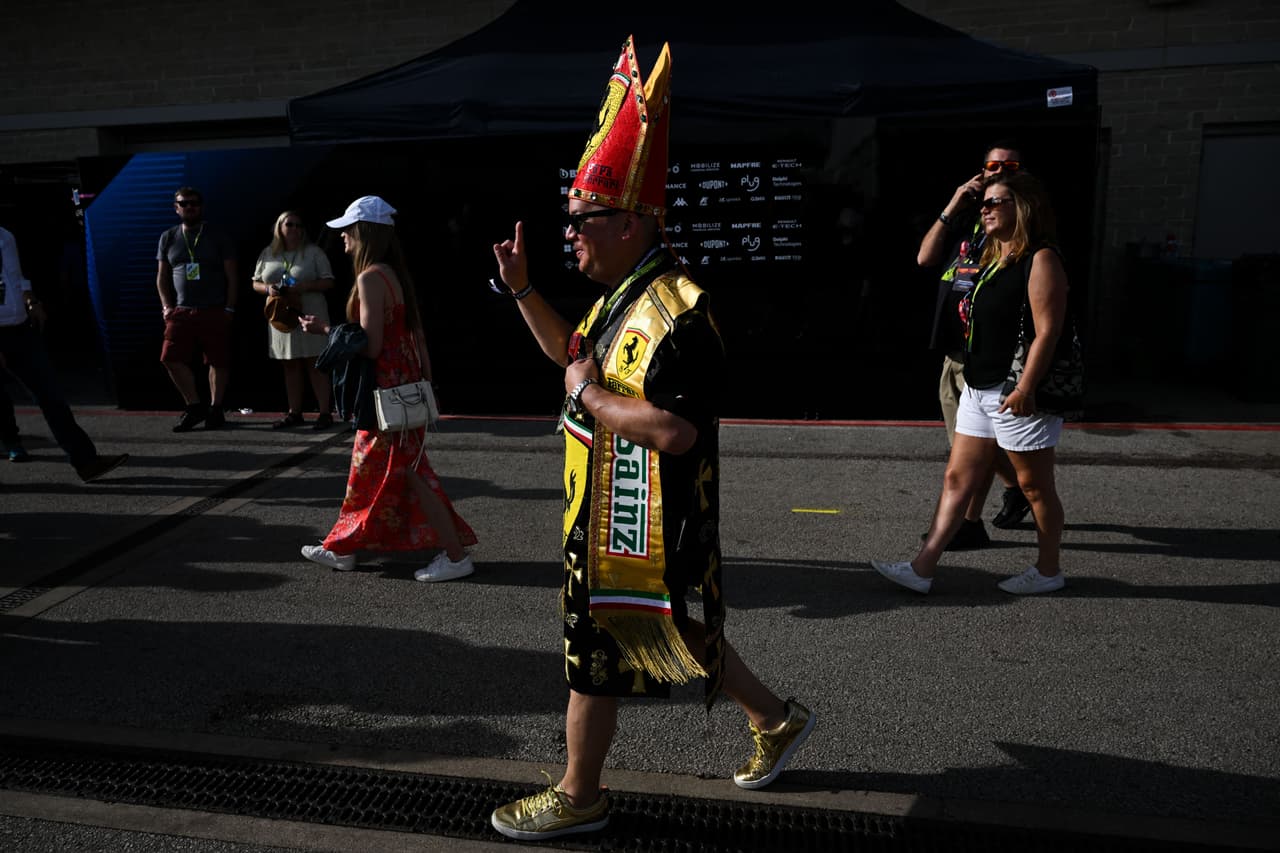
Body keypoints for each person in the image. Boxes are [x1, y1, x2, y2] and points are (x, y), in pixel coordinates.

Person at [488, 36, 814, 842]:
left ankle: (579, 792)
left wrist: (590, 394)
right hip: (610, 507)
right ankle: (774, 719)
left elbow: (672, 428)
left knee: (595, 649)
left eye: (582, 220)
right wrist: (525, 290)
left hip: (641, 520)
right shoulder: (621, 296)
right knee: (681, 632)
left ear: (630, 222)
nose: (573, 233)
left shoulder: (680, 311)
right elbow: (569, 354)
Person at [874, 170, 1070, 596]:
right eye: (985, 203)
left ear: (1023, 208)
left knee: (1035, 487)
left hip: (1013, 391)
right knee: (956, 479)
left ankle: (1049, 569)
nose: (985, 208)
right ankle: (922, 568)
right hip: (978, 390)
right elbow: (928, 261)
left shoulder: (1041, 258)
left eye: (995, 202)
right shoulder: (991, 256)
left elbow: (1047, 332)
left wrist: (1025, 388)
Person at [297, 195, 477, 581]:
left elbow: (371, 344)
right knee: (385, 471)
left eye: (348, 229)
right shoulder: (394, 274)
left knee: (397, 472)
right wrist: (426, 381)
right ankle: (343, 547)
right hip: (404, 385)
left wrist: (325, 330)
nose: (343, 237)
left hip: (383, 392)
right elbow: (415, 336)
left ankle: (455, 555)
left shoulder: (368, 278)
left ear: (364, 233)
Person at [916, 143, 1033, 545]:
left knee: (970, 450)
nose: (999, 170)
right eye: (992, 165)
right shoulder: (969, 220)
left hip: (985, 357)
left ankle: (969, 523)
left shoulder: (1017, 229)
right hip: (954, 351)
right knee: (979, 445)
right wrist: (955, 202)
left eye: (1009, 165)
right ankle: (1021, 488)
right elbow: (925, 258)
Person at [0, 225, 128, 481]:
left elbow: (14, 275)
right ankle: (12, 443)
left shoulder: (5, 235)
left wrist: (31, 301)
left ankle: (86, 461)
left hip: (19, 329)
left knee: (51, 396)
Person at [156, 187, 238, 432]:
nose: (190, 207)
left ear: (201, 207)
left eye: (194, 203)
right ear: (176, 207)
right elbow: (161, 277)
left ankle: (215, 409)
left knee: (218, 360)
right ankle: (194, 406)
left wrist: (230, 308)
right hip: (181, 310)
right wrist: (166, 307)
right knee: (169, 358)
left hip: (213, 308)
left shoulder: (217, 236)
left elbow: (232, 276)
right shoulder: (168, 237)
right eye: (184, 203)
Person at [250, 211, 336, 429]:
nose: (295, 229)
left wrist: (305, 286)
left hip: (310, 312)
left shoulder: (313, 252)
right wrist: (269, 289)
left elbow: (329, 281)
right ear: (279, 227)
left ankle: (325, 413)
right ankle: (294, 412)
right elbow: (255, 283)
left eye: (299, 225)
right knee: (290, 363)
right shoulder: (268, 253)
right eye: (290, 225)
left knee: (314, 363)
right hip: (282, 316)